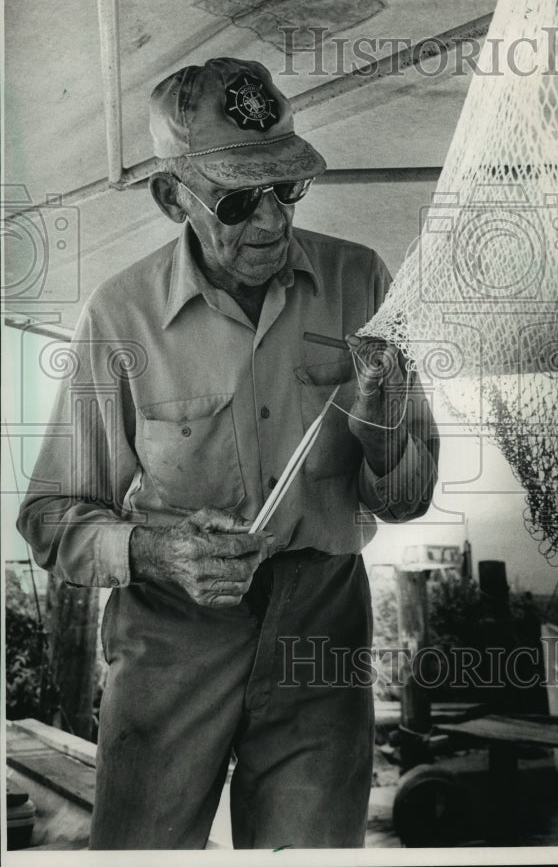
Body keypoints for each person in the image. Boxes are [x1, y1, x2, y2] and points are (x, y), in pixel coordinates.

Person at [17, 57, 438, 850]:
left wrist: (387, 423)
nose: (273, 222)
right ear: (173, 196)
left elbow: (406, 498)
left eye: (288, 189)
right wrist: (153, 552)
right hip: (174, 636)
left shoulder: (361, 280)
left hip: (322, 627)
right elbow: (49, 519)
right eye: (239, 199)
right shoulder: (120, 315)